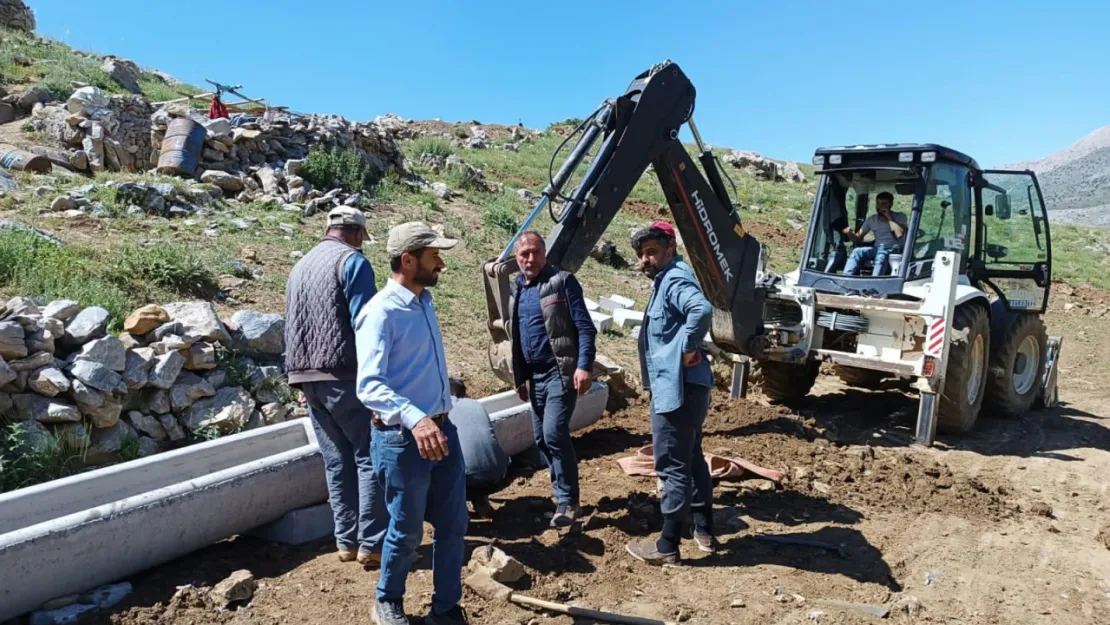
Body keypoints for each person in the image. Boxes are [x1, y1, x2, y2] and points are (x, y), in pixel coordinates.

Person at [355, 221, 468, 625]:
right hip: (404, 439)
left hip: (442, 430)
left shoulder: (424, 302)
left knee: (454, 525)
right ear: (408, 260)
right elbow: (369, 384)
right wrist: (415, 417)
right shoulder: (381, 313)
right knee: (406, 531)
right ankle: (388, 600)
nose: (441, 264)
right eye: (434, 256)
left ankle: (446, 607)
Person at [284, 206, 387, 567]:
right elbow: (366, 323)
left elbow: (293, 325)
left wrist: (298, 377)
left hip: (306, 378)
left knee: (336, 461)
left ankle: (345, 541)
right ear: (357, 234)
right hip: (344, 375)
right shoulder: (353, 262)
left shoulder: (300, 267)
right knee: (368, 455)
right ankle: (372, 544)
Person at [624, 221, 715, 566]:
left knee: (671, 464)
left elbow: (701, 310)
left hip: (678, 388)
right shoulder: (668, 279)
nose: (645, 259)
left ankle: (667, 546)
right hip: (690, 387)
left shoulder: (675, 278)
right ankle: (704, 529)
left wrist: (689, 347)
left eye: (651, 252)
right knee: (691, 456)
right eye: (641, 254)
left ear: (669, 249)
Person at [508, 231, 597, 527]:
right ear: (516, 258)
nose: (529, 259)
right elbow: (518, 336)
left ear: (544, 254)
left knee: (555, 433)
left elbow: (585, 328)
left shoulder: (562, 282)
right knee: (541, 439)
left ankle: (570, 502)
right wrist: (520, 377)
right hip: (534, 378)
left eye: (535, 252)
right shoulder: (517, 288)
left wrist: (584, 366)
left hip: (560, 372)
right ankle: (561, 497)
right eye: (524, 254)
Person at [841, 191, 908, 276]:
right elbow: (858, 238)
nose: (880, 206)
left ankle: (874, 281)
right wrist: (849, 233)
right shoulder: (871, 220)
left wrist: (889, 218)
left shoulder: (900, 216)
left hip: (893, 250)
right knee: (856, 251)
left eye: (884, 204)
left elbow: (899, 234)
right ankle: (846, 277)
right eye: (878, 203)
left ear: (891, 204)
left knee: (881, 256)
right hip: (877, 248)